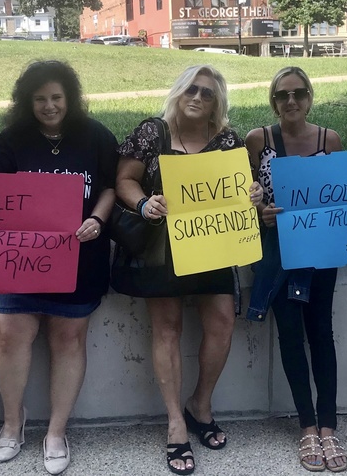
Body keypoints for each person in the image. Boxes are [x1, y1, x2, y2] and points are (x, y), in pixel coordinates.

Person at [0, 60, 118, 474]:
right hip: (16, 259)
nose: (49, 106)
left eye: (56, 97)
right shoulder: (11, 140)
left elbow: (108, 187)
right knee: (9, 337)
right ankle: (13, 424)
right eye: (39, 99)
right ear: (26, 102)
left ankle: (56, 432)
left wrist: (98, 219)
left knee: (69, 340)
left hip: (80, 255)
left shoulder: (96, 136)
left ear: (70, 97)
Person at [114, 64, 263, 475]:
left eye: (209, 93)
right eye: (192, 90)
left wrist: (253, 191)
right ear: (179, 92)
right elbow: (125, 179)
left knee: (222, 322)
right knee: (167, 328)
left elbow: (244, 189)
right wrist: (144, 203)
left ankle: (200, 403)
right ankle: (176, 423)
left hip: (213, 243)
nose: (198, 98)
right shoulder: (152, 132)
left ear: (218, 102)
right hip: (162, 247)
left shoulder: (228, 140)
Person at [245, 66, 347, 472]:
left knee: (322, 333)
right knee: (289, 335)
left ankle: (329, 427)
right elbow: (242, 197)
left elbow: (343, 192)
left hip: (320, 251)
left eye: (298, 93)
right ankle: (306, 426)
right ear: (273, 101)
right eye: (282, 95)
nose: (291, 101)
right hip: (279, 253)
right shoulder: (258, 141)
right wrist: (260, 210)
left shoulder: (328, 139)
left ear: (310, 97)